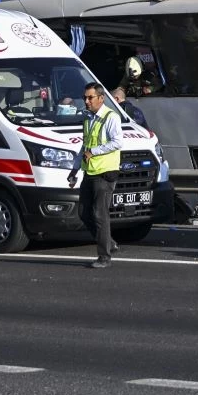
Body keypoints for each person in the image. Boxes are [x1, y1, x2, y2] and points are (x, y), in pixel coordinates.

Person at [68, 83, 123, 269]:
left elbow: (117, 142)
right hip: (90, 171)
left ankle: (104, 256)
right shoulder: (88, 118)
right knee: (83, 212)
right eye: (85, 97)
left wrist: (95, 151)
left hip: (105, 173)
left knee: (100, 215)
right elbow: (84, 147)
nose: (86, 101)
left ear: (101, 98)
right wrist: (74, 170)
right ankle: (110, 243)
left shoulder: (110, 117)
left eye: (90, 97)